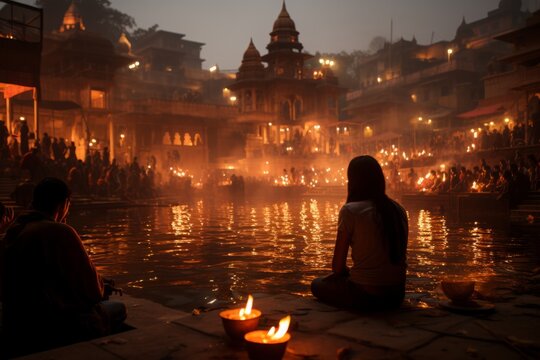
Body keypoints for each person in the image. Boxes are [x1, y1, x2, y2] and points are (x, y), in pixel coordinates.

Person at [1, 178, 127, 357]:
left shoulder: (15, 230)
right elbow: (93, 291)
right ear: (64, 204)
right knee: (118, 308)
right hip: (50, 324)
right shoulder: (60, 232)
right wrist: (103, 287)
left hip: (16, 321)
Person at [311, 155, 408, 310]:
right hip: (397, 295)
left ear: (353, 182)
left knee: (316, 284)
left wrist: (350, 273)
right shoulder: (398, 209)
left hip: (367, 296)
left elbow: (337, 267)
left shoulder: (350, 210)